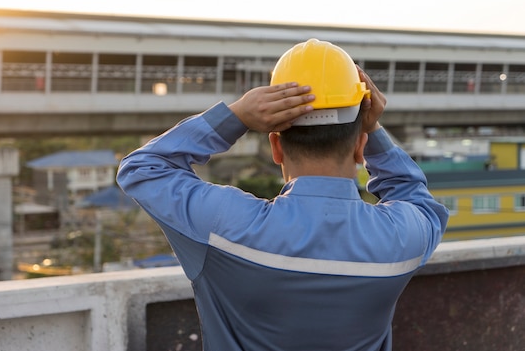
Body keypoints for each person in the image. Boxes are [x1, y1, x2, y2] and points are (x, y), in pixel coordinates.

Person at [117, 39, 449, 350]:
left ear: (276, 146)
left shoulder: (224, 226)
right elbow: (419, 201)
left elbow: (143, 168)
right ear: (361, 147)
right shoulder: (400, 237)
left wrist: (236, 116)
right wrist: (373, 130)